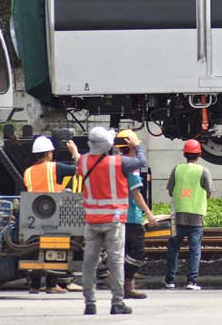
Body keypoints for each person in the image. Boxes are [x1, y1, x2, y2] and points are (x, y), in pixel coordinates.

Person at [78, 126, 147, 316]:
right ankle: (117, 303)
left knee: (89, 263)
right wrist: (137, 147)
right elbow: (141, 161)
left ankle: (90, 304)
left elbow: (81, 167)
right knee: (116, 262)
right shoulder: (119, 163)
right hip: (114, 220)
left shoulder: (83, 162)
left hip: (91, 220)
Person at [23, 134, 80, 294]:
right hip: (52, 213)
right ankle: (51, 284)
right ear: (48, 153)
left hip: (33, 214)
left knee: (36, 248)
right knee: (55, 247)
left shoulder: (27, 171)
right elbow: (82, 170)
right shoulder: (55, 167)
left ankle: (34, 285)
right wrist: (74, 153)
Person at [164, 139, 213, 291]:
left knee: (173, 248)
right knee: (194, 249)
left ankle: (170, 280)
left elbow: (171, 190)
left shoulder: (176, 169)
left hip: (177, 214)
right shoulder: (203, 171)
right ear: (199, 154)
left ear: (185, 154)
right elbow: (209, 192)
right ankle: (191, 281)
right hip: (196, 216)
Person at [115, 130, 158, 300]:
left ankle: (125, 286)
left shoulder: (115, 163)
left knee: (124, 251)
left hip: (119, 215)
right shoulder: (130, 166)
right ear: (130, 146)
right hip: (131, 216)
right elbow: (136, 194)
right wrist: (149, 213)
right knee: (137, 252)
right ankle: (124, 281)